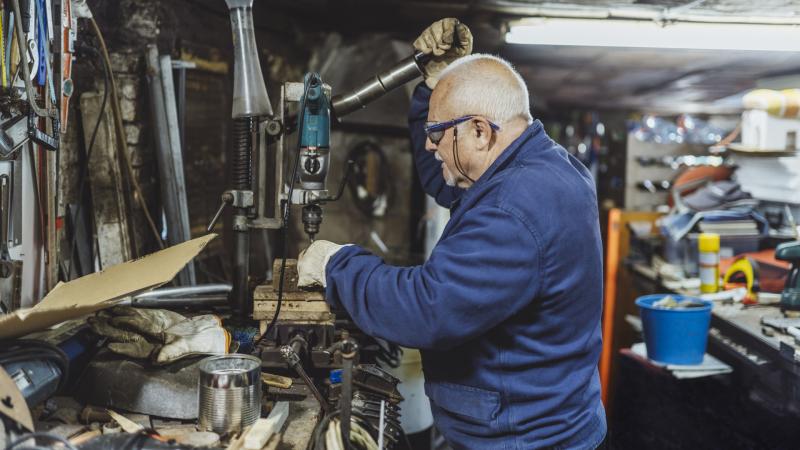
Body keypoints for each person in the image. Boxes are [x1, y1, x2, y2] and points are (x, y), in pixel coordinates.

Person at [298, 18, 606, 449]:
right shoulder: (543, 165)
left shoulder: (514, 208)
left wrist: (337, 264)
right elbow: (447, 178)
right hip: (543, 421)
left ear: (480, 130)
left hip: (522, 440)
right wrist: (433, 86)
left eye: (438, 133)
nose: (428, 146)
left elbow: (428, 309)